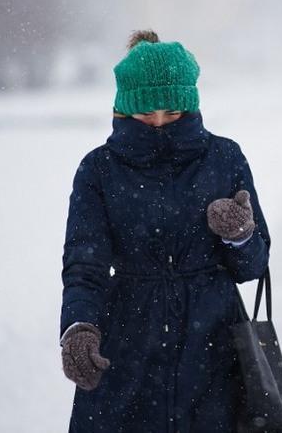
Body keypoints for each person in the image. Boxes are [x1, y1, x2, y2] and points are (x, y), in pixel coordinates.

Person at [59, 30, 271, 432]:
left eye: (172, 113)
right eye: (145, 114)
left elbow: (253, 266)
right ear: (124, 110)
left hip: (213, 344)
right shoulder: (98, 170)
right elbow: (84, 264)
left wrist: (239, 234)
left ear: (189, 105)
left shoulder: (225, 158)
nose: (159, 123)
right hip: (128, 343)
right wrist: (78, 327)